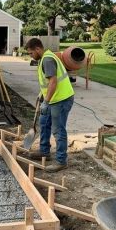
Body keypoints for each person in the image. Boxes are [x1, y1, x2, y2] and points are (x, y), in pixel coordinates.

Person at [25, 37, 74, 172]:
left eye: (31, 53)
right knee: (44, 123)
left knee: (58, 130)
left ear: (38, 49)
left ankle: (61, 161)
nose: (31, 56)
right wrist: (42, 94)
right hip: (53, 98)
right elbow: (47, 83)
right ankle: (44, 151)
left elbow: (53, 82)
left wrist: (46, 102)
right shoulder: (44, 58)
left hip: (61, 100)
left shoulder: (47, 59)